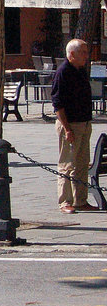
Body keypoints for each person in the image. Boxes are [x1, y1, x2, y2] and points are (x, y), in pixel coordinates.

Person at [51, 38, 96, 214]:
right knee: (67, 164)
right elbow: (58, 104)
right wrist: (67, 128)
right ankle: (65, 202)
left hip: (84, 122)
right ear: (72, 54)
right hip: (70, 125)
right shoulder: (63, 72)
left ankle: (80, 200)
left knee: (82, 163)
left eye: (86, 52)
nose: (86, 56)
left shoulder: (81, 70)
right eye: (83, 52)